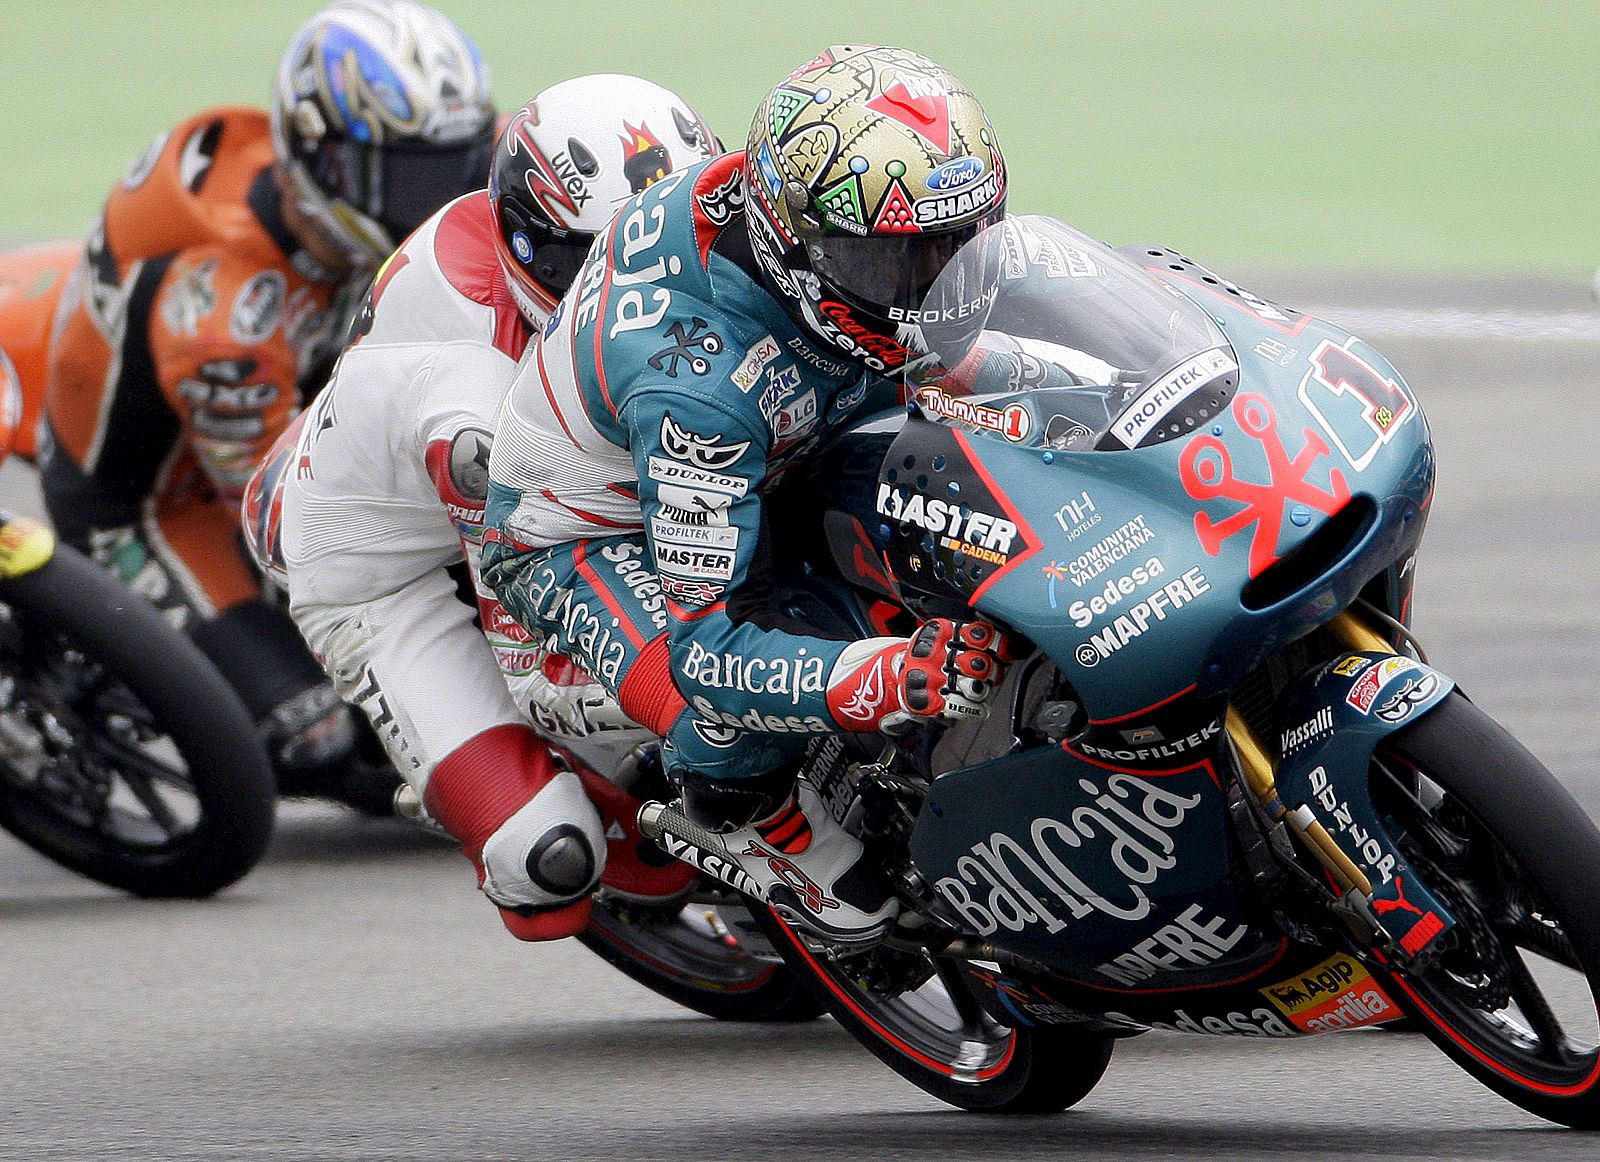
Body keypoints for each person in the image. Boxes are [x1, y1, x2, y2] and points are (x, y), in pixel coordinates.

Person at [481, 45, 1014, 946]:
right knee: (721, 711)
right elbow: (709, 649)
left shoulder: (804, 218)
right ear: (794, 248)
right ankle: (745, 815)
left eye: (958, 245)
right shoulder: (701, 392)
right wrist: (880, 677)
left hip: (787, 433)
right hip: (587, 536)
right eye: (895, 267)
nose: (931, 286)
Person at [242, 76, 721, 938]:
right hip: (373, 561)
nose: (638, 293)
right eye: (594, 267)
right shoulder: (478, 400)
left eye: (673, 248)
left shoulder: (584, 206)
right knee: (548, 865)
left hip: (461, 448)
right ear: (529, 247)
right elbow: (540, 654)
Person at [36, 0, 496, 797]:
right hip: (166, 500)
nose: (435, 201)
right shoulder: (225, 322)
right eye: (408, 179)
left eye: (454, 168)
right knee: (317, 729)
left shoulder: (312, 203)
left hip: (299, 384)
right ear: (319, 163)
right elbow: (294, 525)